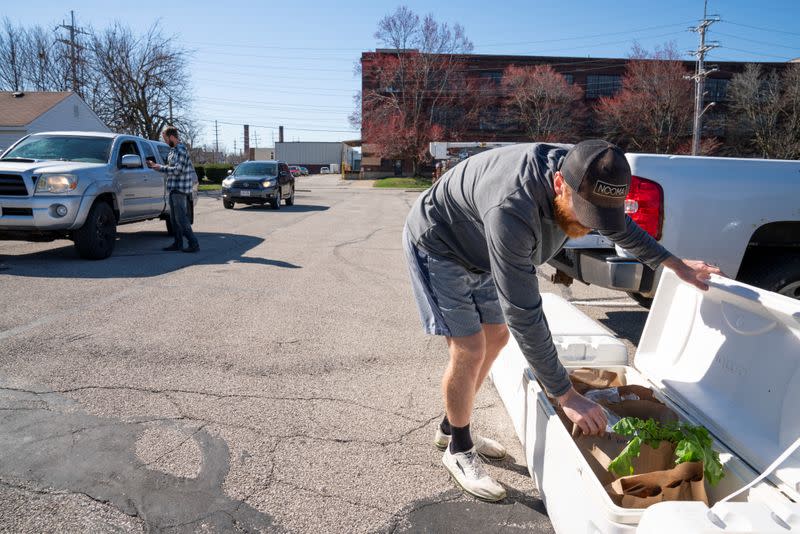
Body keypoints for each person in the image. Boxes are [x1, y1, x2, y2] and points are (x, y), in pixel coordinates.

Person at [402, 140, 721, 502]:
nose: (589, 224)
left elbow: (622, 228)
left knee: (497, 337)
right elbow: (523, 311)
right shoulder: (513, 207)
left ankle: (450, 426)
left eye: (600, 216)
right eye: (585, 212)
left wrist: (674, 264)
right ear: (558, 184)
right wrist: (565, 393)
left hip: (480, 245)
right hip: (440, 244)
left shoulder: (589, 171)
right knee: (470, 348)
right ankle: (458, 449)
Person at [147, 126, 199, 253]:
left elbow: (177, 170)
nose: (164, 141)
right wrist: (156, 166)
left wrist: (159, 167)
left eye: (165, 138)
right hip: (172, 188)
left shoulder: (181, 150)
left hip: (180, 189)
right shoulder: (172, 151)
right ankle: (178, 243)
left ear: (171, 137)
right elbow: (171, 167)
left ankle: (193, 243)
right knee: (174, 219)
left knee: (181, 218)